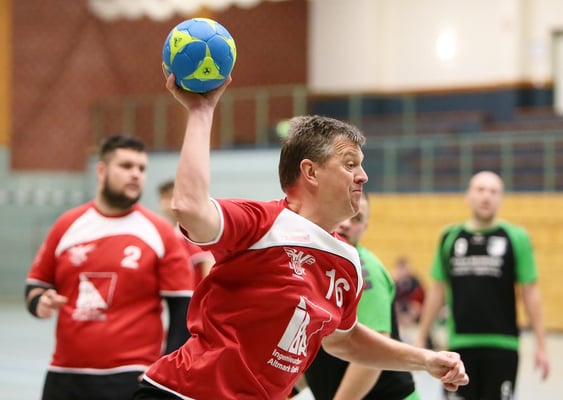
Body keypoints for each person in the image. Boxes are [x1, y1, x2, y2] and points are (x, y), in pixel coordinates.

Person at [132, 71, 469, 400]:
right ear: (310, 172)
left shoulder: (348, 262)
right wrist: (201, 111)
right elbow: (189, 207)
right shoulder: (261, 223)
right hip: (185, 392)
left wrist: (425, 360)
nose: (363, 176)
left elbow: (345, 340)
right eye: (350, 164)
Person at [24, 135, 194, 400]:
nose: (136, 174)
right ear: (101, 170)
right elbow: (36, 285)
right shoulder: (67, 225)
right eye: (126, 166)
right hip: (65, 374)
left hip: (130, 376)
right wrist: (40, 302)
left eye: (141, 168)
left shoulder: (160, 233)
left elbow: (183, 310)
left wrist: (164, 371)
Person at [415, 170, 550, 400]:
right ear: (468, 196)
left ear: (501, 198)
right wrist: (421, 336)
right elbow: (437, 291)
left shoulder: (516, 237)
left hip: (503, 345)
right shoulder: (450, 237)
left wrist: (541, 345)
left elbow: (530, 293)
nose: (486, 196)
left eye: (493, 191)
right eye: (480, 190)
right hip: (459, 345)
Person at [305, 193, 421, 400]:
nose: (346, 224)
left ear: (364, 228)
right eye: (343, 212)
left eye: (356, 218)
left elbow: (372, 356)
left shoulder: (364, 271)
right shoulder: (315, 265)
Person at [158, 179, 215, 286]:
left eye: (170, 197)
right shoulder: (167, 232)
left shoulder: (195, 232)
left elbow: (208, 267)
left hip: (194, 293)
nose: (167, 203)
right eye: (163, 198)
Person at [393, 256, 426, 329]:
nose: (403, 272)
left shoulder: (415, 282)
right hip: (400, 309)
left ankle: (408, 324)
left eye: (405, 268)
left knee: (415, 307)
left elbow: (419, 301)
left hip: (411, 310)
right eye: (401, 268)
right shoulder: (394, 284)